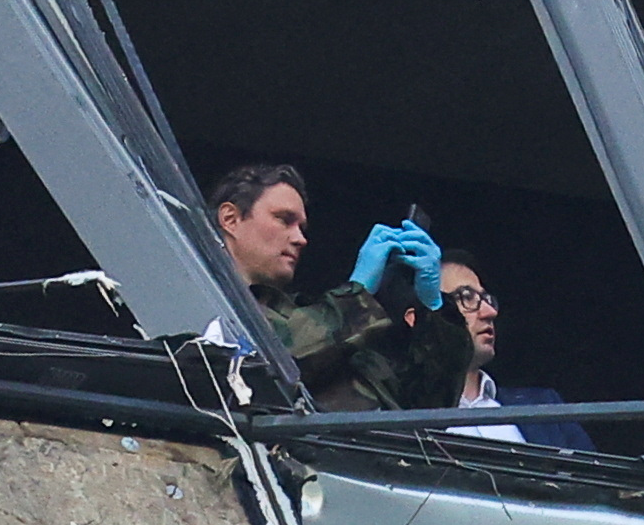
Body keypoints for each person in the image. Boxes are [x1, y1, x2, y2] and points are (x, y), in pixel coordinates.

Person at [206, 164, 470, 412]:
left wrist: (434, 310)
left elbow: (431, 406)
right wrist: (357, 294)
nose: (300, 239)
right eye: (284, 219)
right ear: (231, 219)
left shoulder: (325, 323)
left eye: (302, 227)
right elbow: (277, 359)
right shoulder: (199, 299)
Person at [439, 251, 595, 452]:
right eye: (467, 298)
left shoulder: (545, 408)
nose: (490, 312)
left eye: (486, 299)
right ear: (417, 317)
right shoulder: (403, 416)